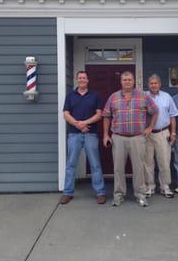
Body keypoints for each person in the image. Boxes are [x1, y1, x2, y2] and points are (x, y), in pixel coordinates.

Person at [103, 71, 158, 207]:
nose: (127, 82)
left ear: (133, 81)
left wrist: (150, 127)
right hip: (118, 138)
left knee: (139, 168)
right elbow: (106, 116)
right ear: (121, 82)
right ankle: (118, 195)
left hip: (137, 138)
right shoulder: (113, 97)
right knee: (118, 168)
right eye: (124, 80)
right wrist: (105, 135)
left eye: (129, 79)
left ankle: (140, 195)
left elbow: (155, 111)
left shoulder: (143, 96)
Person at [60, 71, 106, 205]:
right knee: (70, 165)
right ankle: (67, 193)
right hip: (74, 135)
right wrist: (78, 125)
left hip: (91, 135)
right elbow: (66, 114)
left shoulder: (95, 95)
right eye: (79, 78)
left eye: (84, 78)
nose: (82, 80)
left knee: (95, 164)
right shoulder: (70, 96)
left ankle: (100, 192)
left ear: (88, 80)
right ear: (76, 80)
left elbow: (99, 114)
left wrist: (84, 123)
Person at [144, 74, 178, 198]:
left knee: (164, 161)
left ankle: (165, 187)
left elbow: (173, 115)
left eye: (156, 83)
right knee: (147, 162)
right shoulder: (144, 96)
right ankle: (150, 187)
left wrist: (173, 132)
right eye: (151, 83)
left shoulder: (167, 97)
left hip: (163, 132)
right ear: (148, 85)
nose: (153, 85)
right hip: (147, 135)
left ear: (160, 84)